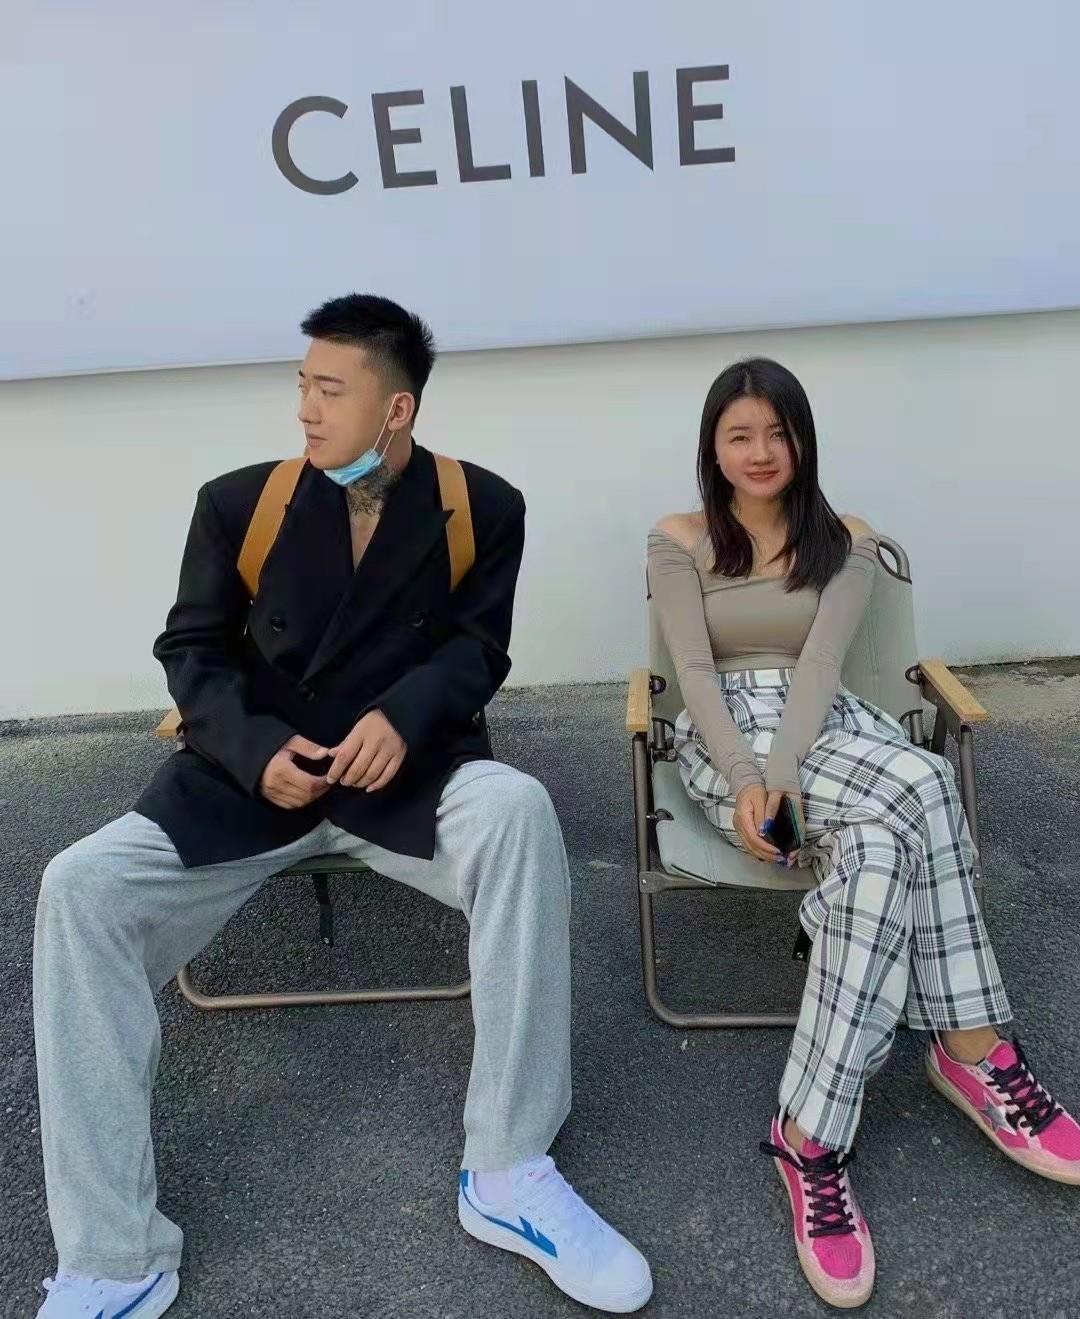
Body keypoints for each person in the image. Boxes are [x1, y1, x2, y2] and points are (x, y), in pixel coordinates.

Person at [32, 294, 652, 1318]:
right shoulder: (241, 502)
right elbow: (191, 649)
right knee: (79, 886)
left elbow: (477, 649)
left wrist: (405, 717)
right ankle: (114, 1254)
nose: (306, 409)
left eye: (330, 389)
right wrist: (255, 749)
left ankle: (508, 1167)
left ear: (396, 408)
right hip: (251, 782)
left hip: (408, 777)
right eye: (303, 385)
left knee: (517, 810)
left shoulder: (482, 506)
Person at [647, 357, 1079, 1309]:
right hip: (724, 736)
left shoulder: (845, 539)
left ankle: (810, 1137)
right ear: (713, 447)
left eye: (779, 432)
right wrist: (753, 781)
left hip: (826, 727)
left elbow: (820, 663)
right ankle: (972, 1050)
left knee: (881, 852)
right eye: (740, 434)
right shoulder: (677, 539)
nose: (762, 452)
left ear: (803, 439)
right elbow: (693, 671)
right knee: (925, 780)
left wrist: (789, 773)